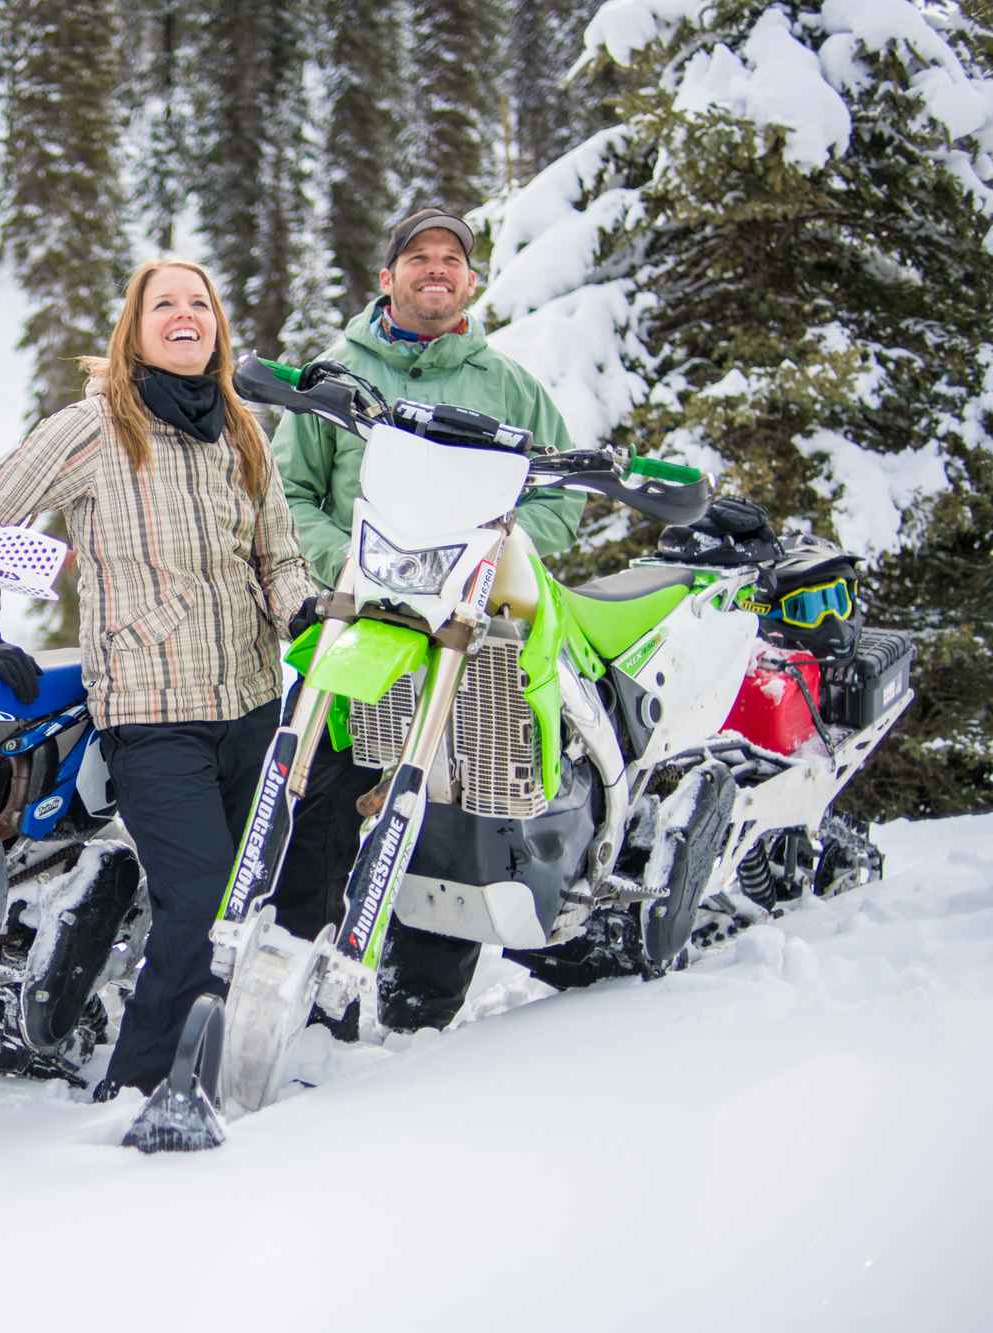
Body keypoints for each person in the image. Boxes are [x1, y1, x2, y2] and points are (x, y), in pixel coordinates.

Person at [0, 258, 316, 1098]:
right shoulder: (95, 426)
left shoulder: (241, 427)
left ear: (216, 326)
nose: (185, 316)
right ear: (135, 326)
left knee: (240, 897)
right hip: (152, 710)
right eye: (164, 305)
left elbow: (276, 552)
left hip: (255, 698)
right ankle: (142, 1088)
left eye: (200, 304)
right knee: (196, 898)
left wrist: (297, 607)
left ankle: (212, 1063)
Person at [271, 206, 584, 1035]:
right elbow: (286, 496)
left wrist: (496, 556)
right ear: (387, 279)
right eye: (418, 257)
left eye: (453, 258)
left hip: (461, 641)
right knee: (321, 811)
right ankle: (301, 1001)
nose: (436, 268)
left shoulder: (507, 387)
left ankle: (417, 1015)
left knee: (446, 815)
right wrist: (353, 558)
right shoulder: (334, 375)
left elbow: (556, 504)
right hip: (354, 626)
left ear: (472, 283)